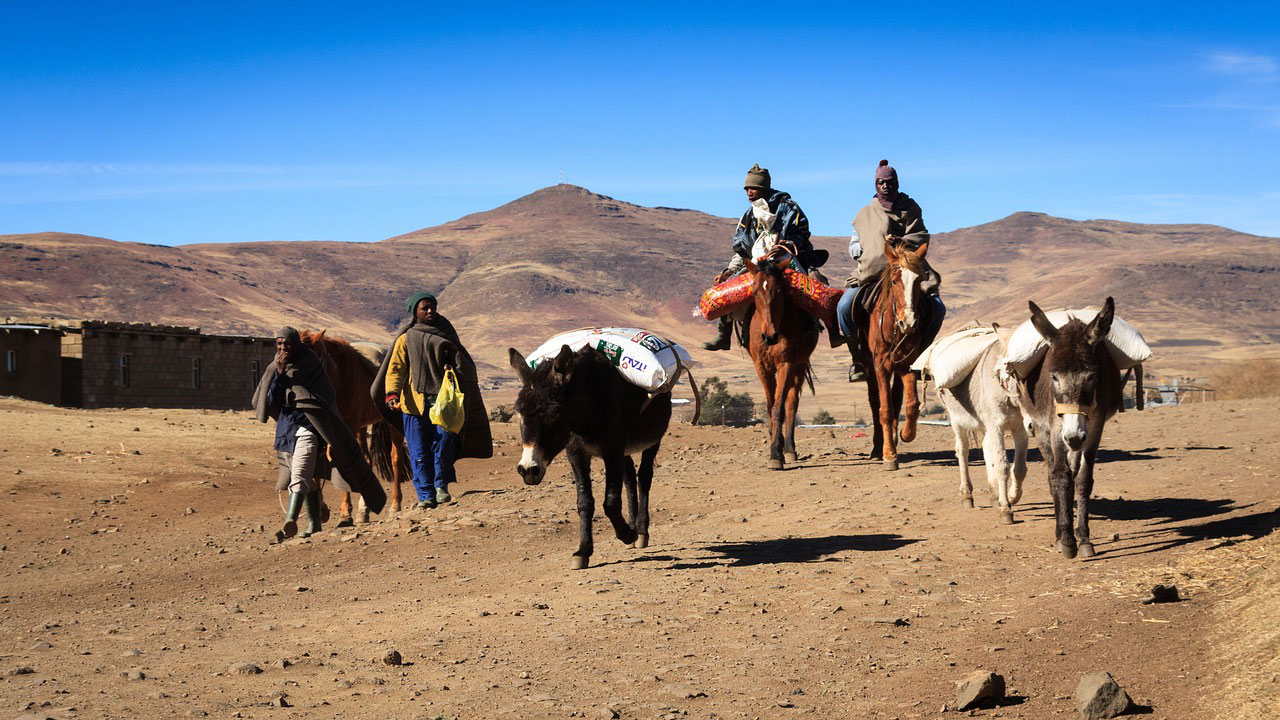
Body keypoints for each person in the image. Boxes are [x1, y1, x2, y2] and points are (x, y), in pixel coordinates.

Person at [251, 326, 385, 543]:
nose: (283, 347)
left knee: (301, 473)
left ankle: (290, 520)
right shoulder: (274, 367)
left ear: (295, 344)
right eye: (280, 343)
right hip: (287, 430)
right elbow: (270, 399)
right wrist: (277, 374)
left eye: (287, 343)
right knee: (303, 475)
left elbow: (327, 395)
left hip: (309, 426)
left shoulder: (312, 364)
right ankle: (314, 522)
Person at [379, 292, 493, 509]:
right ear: (416, 312)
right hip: (414, 404)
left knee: (443, 444)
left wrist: (453, 366)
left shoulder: (446, 334)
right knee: (418, 451)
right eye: (425, 308)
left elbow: (462, 360)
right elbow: (395, 369)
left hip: (443, 402)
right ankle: (425, 495)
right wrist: (392, 394)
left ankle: (441, 486)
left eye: (433, 307)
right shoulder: (406, 339)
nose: (430, 311)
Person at [703, 164, 829, 350]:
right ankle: (723, 334)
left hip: (789, 260)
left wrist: (784, 246)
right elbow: (742, 250)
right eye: (746, 189)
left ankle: (823, 327)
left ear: (765, 188)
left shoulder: (789, 208)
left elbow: (801, 235)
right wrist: (729, 270)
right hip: (758, 265)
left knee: (816, 282)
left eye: (753, 188)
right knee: (727, 287)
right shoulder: (748, 216)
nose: (749, 192)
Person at [837, 159, 942, 380]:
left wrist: (900, 243)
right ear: (875, 185)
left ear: (897, 183)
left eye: (890, 182)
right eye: (881, 182)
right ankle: (857, 359)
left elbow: (920, 236)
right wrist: (869, 248)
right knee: (844, 307)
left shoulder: (911, 208)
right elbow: (853, 246)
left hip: (906, 271)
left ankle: (922, 356)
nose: (886, 186)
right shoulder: (865, 214)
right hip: (872, 273)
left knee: (938, 308)